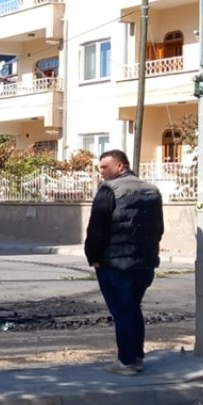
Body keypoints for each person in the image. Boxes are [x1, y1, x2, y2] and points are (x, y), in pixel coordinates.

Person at [84, 149, 164, 376]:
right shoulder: (152, 190)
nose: (101, 173)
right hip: (145, 263)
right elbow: (159, 228)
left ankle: (127, 361)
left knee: (122, 311)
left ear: (120, 166)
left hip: (115, 263)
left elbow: (97, 229)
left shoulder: (109, 190)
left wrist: (94, 257)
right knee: (133, 308)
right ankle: (136, 357)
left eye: (105, 167)